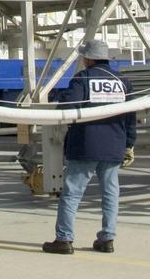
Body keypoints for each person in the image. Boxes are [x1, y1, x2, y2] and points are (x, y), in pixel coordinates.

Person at [43, 39, 135, 255]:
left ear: (89, 58)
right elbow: (132, 117)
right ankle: (107, 239)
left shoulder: (83, 79)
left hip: (85, 145)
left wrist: (58, 100)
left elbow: (67, 106)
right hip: (114, 146)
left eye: (84, 57)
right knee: (110, 193)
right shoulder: (122, 82)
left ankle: (64, 239)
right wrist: (129, 144)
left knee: (73, 192)